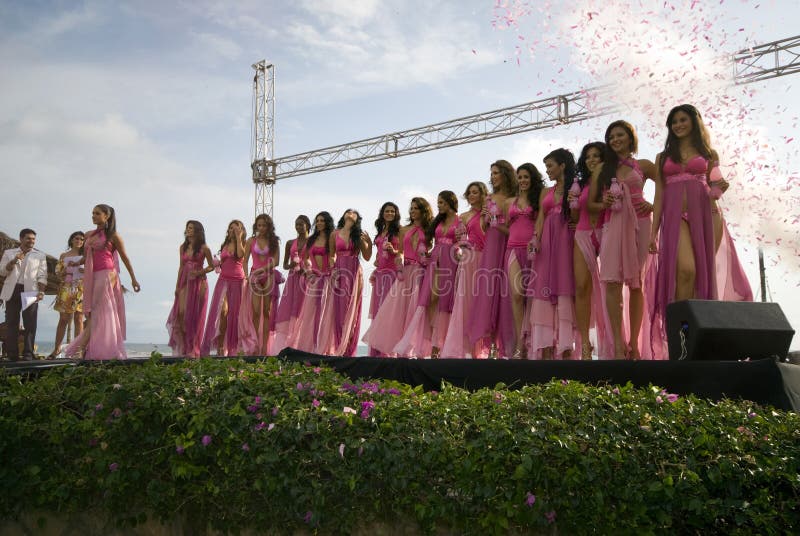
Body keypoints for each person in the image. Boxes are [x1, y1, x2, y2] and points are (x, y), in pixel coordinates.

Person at [650, 105, 719, 327]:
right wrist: (652, 234)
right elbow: (659, 195)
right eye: (674, 121)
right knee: (686, 270)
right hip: (674, 216)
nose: (678, 125)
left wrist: (720, 187)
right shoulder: (662, 157)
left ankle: (695, 334)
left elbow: (714, 187)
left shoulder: (709, 154)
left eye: (683, 120)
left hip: (706, 215)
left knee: (701, 273)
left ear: (694, 122)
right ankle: (679, 331)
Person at [596, 120, 659, 359]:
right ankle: (618, 344)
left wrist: (654, 205)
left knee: (636, 284)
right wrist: (604, 202)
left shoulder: (643, 165)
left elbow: (665, 188)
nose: (615, 140)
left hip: (641, 224)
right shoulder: (604, 169)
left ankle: (634, 343)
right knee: (611, 282)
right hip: (613, 225)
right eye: (611, 136)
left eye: (620, 135)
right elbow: (593, 202)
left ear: (630, 138)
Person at [65, 205, 141, 360]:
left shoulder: (113, 236)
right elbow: (86, 258)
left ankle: (81, 349)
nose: (93, 216)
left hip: (107, 275)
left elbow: (125, 258)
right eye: (92, 213)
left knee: (96, 311)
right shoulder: (88, 234)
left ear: (106, 216)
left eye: (97, 213)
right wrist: (76, 263)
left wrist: (133, 278)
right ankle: (89, 347)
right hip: (91, 276)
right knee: (92, 312)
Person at [361, 198, 433, 357]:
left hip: (421, 272)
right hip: (405, 272)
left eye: (416, 208)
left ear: (423, 210)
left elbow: (431, 250)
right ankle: (394, 350)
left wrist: (428, 257)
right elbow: (400, 251)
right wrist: (396, 255)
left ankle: (413, 350)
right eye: (411, 208)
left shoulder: (430, 229)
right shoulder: (404, 230)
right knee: (398, 311)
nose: (413, 211)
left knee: (417, 311)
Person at [395, 191, 459, 358]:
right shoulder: (438, 221)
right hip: (434, 260)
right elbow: (426, 242)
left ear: (451, 203)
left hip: (452, 260)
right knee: (431, 299)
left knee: (445, 300)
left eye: (442, 203)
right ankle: (433, 342)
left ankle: (441, 345)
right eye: (438, 203)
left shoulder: (460, 220)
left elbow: (463, 240)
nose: (439, 206)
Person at [527, 149, 578, 360]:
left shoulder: (576, 186)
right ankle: (545, 348)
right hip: (546, 243)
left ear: (563, 165)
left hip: (567, 238)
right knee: (543, 289)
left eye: (550, 165)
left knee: (565, 284)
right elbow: (540, 217)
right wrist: (535, 238)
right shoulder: (545, 192)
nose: (547, 170)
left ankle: (566, 348)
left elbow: (578, 212)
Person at [467, 160, 517, 357]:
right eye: (492, 173)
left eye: (496, 173)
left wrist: (497, 222)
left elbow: (516, 225)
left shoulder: (515, 197)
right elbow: (486, 228)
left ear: (505, 174)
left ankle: (509, 346)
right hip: (492, 247)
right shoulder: (489, 197)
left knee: (507, 294)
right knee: (490, 294)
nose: (493, 177)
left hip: (509, 244)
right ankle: (491, 346)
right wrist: (486, 219)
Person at [571, 143, 613, 360]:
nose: (592, 159)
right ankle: (586, 346)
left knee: (609, 287)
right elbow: (576, 217)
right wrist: (573, 207)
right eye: (588, 157)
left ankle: (613, 343)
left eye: (597, 155)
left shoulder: (613, 178)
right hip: (583, 232)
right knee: (581, 287)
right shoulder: (580, 184)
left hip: (608, 231)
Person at [498, 163, 544, 358]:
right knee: (517, 295)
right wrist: (493, 223)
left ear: (532, 179)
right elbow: (507, 227)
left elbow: (543, 222)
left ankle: (534, 342)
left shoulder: (539, 199)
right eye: (520, 177)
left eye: (526, 177)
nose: (523, 180)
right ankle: (519, 344)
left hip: (535, 251)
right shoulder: (509, 202)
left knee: (533, 297)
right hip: (513, 250)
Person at [440, 182, 488, 358]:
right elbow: (459, 240)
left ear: (483, 194)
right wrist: (461, 248)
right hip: (468, 260)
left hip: (486, 258)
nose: (472, 195)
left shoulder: (486, 212)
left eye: (476, 192)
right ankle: (465, 349)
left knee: (482, 301)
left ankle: (483, 350)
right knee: (465, 302)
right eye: (470, 193)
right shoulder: (464, 216)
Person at [290, 212, 336, 354]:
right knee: (310, 313)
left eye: (322, 220)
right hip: (314, 280)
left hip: (328, 280)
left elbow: (335, 257)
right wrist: (308, 271)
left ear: (327, 222)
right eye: (318, 221)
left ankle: (324, 347)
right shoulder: (312, 240)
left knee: (326, 314)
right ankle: (309, 347)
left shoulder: (332, 238)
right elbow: (304, 259)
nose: (320, 223)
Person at [166, 221, 214, 358]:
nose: (188, 230)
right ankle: (184, 346)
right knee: (181, 313)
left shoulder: (204, 248)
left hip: (199, 283)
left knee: (194, 316)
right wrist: (176, 286)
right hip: (184, 282)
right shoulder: (183, 247)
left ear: (198, 231)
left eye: (191, 228)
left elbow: (211, 266)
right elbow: (181, 266)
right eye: (187, 228)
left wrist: (200, 272)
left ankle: (193, 348)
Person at [200, 220, 247, 357]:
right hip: (223, 280)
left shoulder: (243, 243)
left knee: (235, 315)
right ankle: (220, 346)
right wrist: (218, 263)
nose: (233, 230)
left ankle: (233, 348)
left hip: (237, 281)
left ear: (241, 230)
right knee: (222, 312)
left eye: (236, 228)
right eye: (231, 228)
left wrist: (238, 238)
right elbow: (225, 260)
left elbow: (240, 255)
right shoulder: (225, 244)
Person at [1, 228, 48, 361]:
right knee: (12, 323)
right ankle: (12, 354)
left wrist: (42, 291)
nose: (31, 241)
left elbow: (42, 275)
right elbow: (3, 272)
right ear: (21, 239)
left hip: (31, 290)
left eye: (33, 239)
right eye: (28, 238)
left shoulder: (39, 255)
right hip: (12, 290)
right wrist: (15, 260)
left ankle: (28, 353)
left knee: (30, 323)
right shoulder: (9, 253)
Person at [331, 209, 372, 356]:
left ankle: (349, 349)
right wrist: (333, 269)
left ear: (357, 219)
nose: (350, 214)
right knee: (339, 309)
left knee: (352, 309)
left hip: (354, 272)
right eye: (348, 212)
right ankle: (339, 346)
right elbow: (331, 255)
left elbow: (367, 257)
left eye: (353, 213)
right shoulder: (334, 234)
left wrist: (369, 243)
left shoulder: (358, 236)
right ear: (343, 216)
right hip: (339, 272)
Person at [240, 213, 283, 355]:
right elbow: (245, 260)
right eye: (259, 225)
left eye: (264, 225)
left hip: (269, 274)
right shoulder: (250, 241)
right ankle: (255, 344)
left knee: (267, 312)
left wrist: (262, 269)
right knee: (256, 312)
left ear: (269, 226)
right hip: (254, 276)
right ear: (256, 226)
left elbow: (276, 262)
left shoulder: (274, 241)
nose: (261, 227)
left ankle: (265, 347)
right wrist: (246, 276)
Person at [367, 202, 401, 356]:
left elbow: (402, 253)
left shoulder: (399, 231)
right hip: (380, 274)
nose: (390, 214)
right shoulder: (380, 232)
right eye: (387, 211)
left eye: (392, 211)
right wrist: (376, 260)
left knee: (387, 312)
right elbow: (377, 255)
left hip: (392, 274)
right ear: (382, 213)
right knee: (378, 311)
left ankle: (387, 351)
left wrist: (394, 251)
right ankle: (376, 350)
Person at [274, 215, 311, 351]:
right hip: (292, 279)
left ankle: (302, 344)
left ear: (307, 225)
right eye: (296, 224)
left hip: (307, 279)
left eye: (301, 224)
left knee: (303, 309)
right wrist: (291, 265)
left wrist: (306, 268)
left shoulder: (312, 241)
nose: (298, 227)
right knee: (289, 309)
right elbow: (284, 265)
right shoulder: (290, 243)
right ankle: (288, 344)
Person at [49, 231, 86, 359]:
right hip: (66, 288)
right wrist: (64, 270)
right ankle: (57, 349)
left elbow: (93, 271)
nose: (79, 241)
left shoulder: (87, 255)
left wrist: (85, 270)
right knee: (63, 319)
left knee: (79, 319)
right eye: (77, 238)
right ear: (71, 240)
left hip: (81, 288)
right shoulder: (64, 255)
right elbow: (58, 273)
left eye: (82, 239)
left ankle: (78, 351)